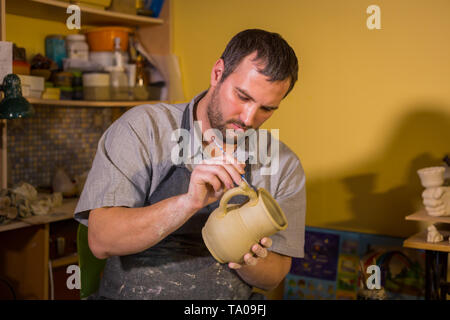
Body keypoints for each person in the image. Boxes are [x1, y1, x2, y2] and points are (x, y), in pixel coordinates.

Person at [74, 29, 306, 300]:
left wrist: (246, 256)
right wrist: (187, 203)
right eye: (243, 97)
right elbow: (102, 240)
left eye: (267, 109)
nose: (248, 118)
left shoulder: (283, 164)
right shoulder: (143, 129)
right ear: (218, 73)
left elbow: (274, 275)